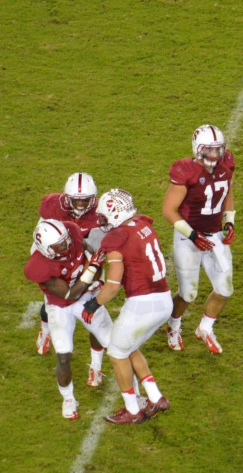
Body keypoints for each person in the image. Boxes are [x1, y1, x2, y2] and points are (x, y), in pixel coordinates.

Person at [82, 189, 172, 424]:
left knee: (116, 351)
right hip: (164, 299)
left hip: (142, 304)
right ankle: (155, 397)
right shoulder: (142, 223)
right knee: (129, 346)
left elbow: (112, 286)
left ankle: (132, 410)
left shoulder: (116, 237)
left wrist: (93, 304)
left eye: (103, 216)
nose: (101, 221)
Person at [24, 218, 112, 420]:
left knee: (113, 343)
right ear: (46, 249)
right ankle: (68, 398)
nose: (66, 245)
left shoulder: (72, 232)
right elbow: (70, 294)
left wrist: (95, 276)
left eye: (65, 240)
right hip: (60, 304)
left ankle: (96, 368)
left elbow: (91, 254)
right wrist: (91, 272)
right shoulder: (38, 267)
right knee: (63, 355)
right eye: (59, 245)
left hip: (85, 293)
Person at [161, 124, 236, 355]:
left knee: (225, 289)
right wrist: (193, 235)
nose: (214, 155)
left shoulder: (227, 164)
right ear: (197, 148)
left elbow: (227, 192)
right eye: (208, 150)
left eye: (217, 150)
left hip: (214, 234)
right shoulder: (185, 170)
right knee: (188, 293)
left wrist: (229, 220)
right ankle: (173, 326)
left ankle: (205, 328)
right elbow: (168, 210)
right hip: (188, 235)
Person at [34, 173, 105, 390]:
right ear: (67, 197)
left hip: (87, 262)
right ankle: (45, 330)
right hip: (58, 260)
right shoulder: (52, 206)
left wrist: (88, 273)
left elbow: (97, 251)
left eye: (86, 199)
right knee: (51, 302)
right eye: (77, 199)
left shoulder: (101, 215)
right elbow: (42, 234)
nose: (82, 204)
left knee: (94, 317)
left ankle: (96, 365)